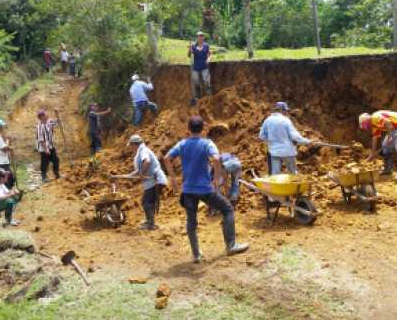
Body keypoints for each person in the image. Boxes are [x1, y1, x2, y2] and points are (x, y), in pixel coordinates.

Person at [164, 116, 249, 263]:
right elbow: (216, 159)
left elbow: (166, 158)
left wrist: (172, 178)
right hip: (205, 189)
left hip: (188, 190)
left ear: (188, 129)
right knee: (227, 209)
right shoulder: (207, 143)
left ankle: (196, 254)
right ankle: (231, 245)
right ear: (203, 129)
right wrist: (217, 178)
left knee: (191, 222)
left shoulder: (182, 144)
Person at [259, 102, 313, 175]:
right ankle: (294, 185)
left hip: (274, 152)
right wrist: (306, 141)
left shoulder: (267, 120)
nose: (286, 112)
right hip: (288, 151)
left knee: (275, 175)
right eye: (285, 111)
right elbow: (295, 136)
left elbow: (261, 136)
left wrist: (271, 141)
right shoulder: (285, 120)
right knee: (292, 173)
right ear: (281, 110)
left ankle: (276, 186)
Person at [126, 134, 168, 230]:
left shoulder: (143, 151)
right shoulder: (141, 151)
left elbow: (147, 162)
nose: (131, 148)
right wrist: (131, 174)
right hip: (152, 180)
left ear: (134, 144)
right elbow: (141, 167)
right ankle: (149, 221)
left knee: (146, 202)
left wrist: (141, 173)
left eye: (131, 145)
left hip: (155, 180)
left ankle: (151, 224)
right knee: (149, 201)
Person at [359, 110, 397, 182]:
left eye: (365, 125)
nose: (366, 127)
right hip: (393, 129)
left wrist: (389, 137)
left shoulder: (375, 117)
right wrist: (372, 154)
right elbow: (375, 138)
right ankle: (388, 169)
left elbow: (387, 122)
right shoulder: (373, 125)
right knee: (385, 146)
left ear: (367, 121)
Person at [187, 31, 212, 106]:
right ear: (197, 38)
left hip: (204, 66)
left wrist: (209, 59)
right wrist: (190, 48)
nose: (200, 38)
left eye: (201, 36)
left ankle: (209, 96)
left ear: (203, 38)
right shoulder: (194, 46)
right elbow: (189, 55)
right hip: (196, 67)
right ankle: (198, 96)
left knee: (206, 80)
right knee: (196, 81)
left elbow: (210, 54)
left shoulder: (206, 45)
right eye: (199, 36)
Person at [36, 109, 60, 183]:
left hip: (50, 145)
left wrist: (57, 113)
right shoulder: (40, 126)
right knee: (44, 162)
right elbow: (41, 139)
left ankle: (56, 173)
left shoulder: (49, 121)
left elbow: (57, 122)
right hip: (43, 148)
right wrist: (46, 149)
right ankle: (44, 177)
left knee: (56, 160)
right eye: (45, 114)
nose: (47, 115)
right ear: (42, 117)